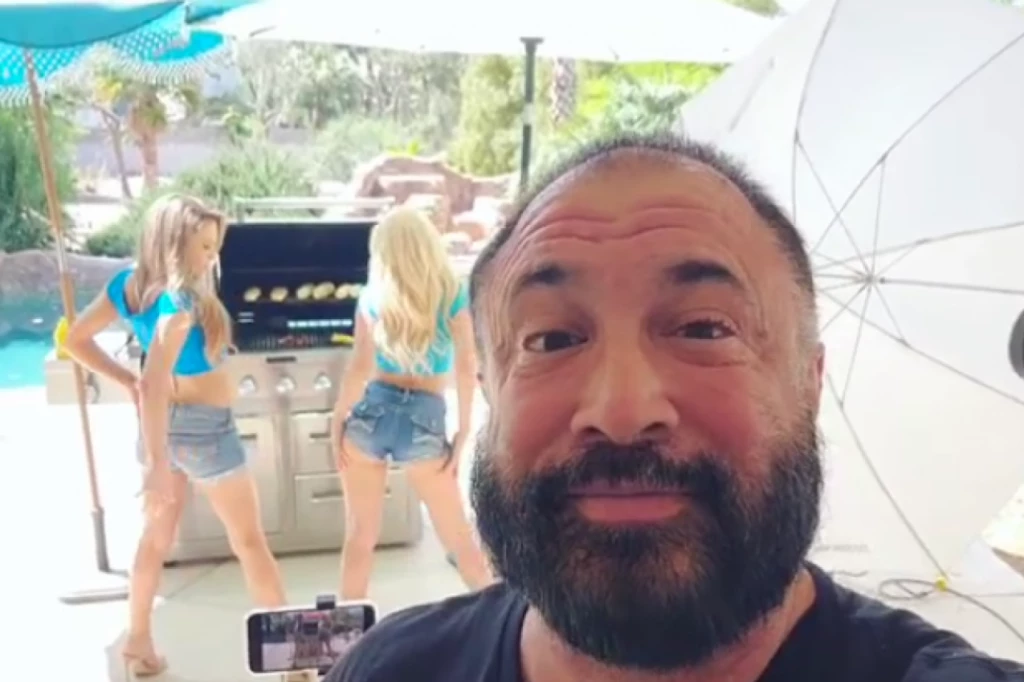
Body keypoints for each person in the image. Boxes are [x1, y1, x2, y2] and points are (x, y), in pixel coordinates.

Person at [323, 133, 1024, 682]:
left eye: (704, 329)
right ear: (491, 390)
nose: (621, 411)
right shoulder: (390, 670)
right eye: (552, 338)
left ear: (810, 383)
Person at [64, 194, 289, 678]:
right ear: (175, 242)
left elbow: (75, 339)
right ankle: (290, 657)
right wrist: (156, 465)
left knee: (154, 540)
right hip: (206, 432)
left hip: (163, 425)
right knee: (249, 541)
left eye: (215, 246)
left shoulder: (128, 284)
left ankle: (138, 643)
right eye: (204, 246)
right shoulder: (180, 303)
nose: (211, 257)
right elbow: (152, 380)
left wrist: (125, 383)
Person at [330, 206, 493, 598]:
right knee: (458, 539)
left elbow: (359, 368)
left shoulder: (372, 298)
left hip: (370, 415)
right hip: (425, 420)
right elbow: (467, 364)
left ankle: (346, 631)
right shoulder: (452, 294)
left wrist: (338, 418)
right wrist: (464, 428)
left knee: (359, 537)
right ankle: (499, 618)